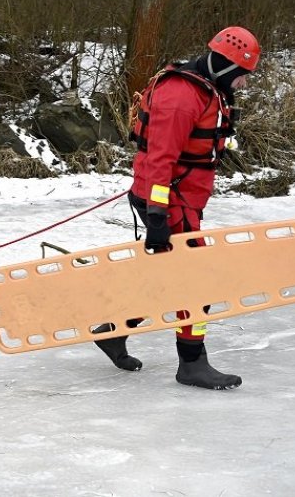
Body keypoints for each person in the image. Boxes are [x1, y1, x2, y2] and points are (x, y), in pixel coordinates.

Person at [94, 26, 261, 390]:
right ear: (224, 66)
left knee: (166, 276)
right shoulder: (182, 95)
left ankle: (113, 331)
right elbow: (160, 157)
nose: (244, 85)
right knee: (194, 280)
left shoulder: (208, 90)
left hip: (181, 198)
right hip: (167, 200)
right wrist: (157, 215)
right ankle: (192, 363)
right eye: (242, 77)